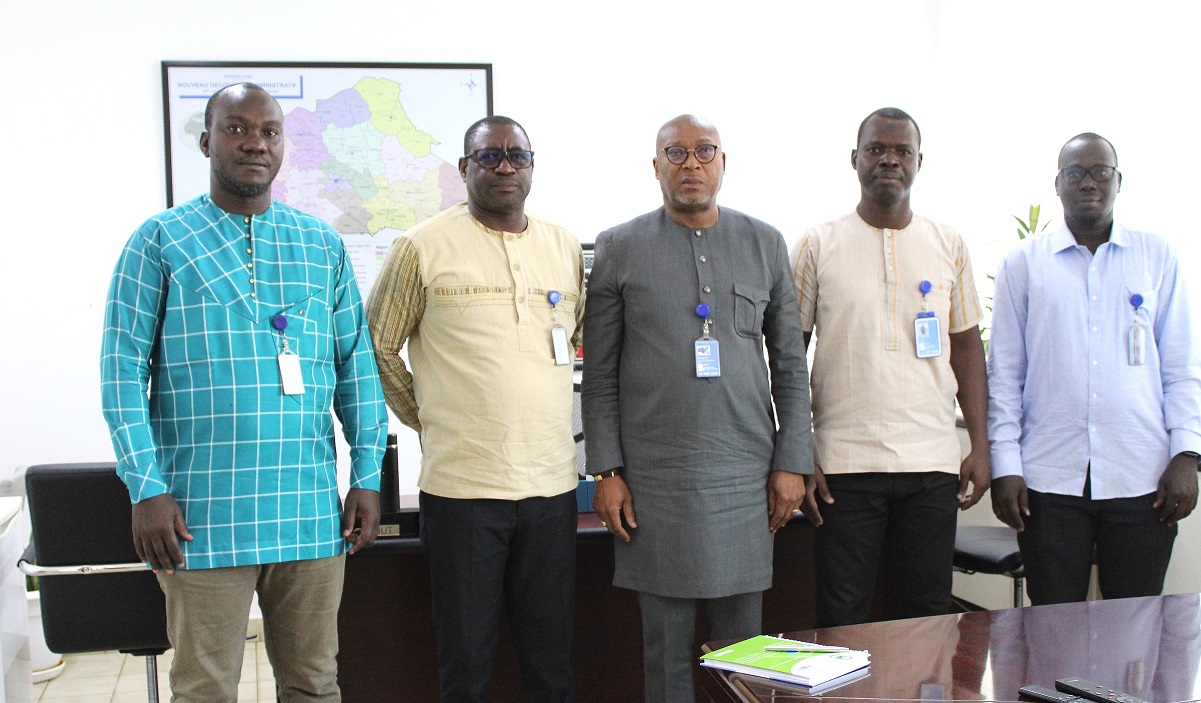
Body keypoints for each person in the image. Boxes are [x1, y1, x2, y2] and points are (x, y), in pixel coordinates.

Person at [100, 82, 387, 703]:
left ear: (283, 145)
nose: (254, 142)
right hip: (199, 516)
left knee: (314, 684)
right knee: (204, 688)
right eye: (236, 128)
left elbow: (355, 367)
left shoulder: (322, 246)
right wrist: (146, 487)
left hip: (309, 514)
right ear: (207, 141)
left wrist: (366, 475)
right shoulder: (159, 242)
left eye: (269, 131)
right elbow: (121, 370)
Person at [581, 114, 813, 703]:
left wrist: (792, 462)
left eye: (704, 151)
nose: (691, 164)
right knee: (665, 649)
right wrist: (606, 472)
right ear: (655, 165)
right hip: (654, 481)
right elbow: (599, 374)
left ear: (723, 162)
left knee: (744, 651)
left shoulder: (765, 242)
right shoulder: (617, 247)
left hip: (745, 477)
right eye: (676, 153)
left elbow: (790, 363)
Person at [365, 116, 584, 703]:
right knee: (466, 665)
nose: (505, 167)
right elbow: (378, 345)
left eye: (518, 156)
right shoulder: (420, 246)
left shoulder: (563, 246)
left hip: (551, 488)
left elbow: (576, 338)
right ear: (464, 168)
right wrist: (429, 417)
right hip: (463, 492)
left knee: (551, 660)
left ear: (533, 165)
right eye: (489, 157)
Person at [790, 107, 990, 628]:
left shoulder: (950, 244)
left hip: (931, 463)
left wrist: (982, 446)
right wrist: (796, 449)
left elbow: (967, 349)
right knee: (842, 616)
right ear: (854, 159)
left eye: (902, 151)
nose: (889, 160)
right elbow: (790, 355)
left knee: (925, 616)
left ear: (919, 162)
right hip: (843, 466)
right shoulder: (817, 244)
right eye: (876, 149)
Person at [986, 132, 1201, 604]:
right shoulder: (1024, 264)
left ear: (1118, 180)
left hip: (1143, 478)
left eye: (1100, 171)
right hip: (1049, 480)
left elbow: (1182, 365)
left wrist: (1186, 455)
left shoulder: (1156, 256)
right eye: (1075, 173)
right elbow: (1004, 375)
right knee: (1051, 626)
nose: (1089, 182)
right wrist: (1005, 465)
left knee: (1135, 627)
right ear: (1058, 184)